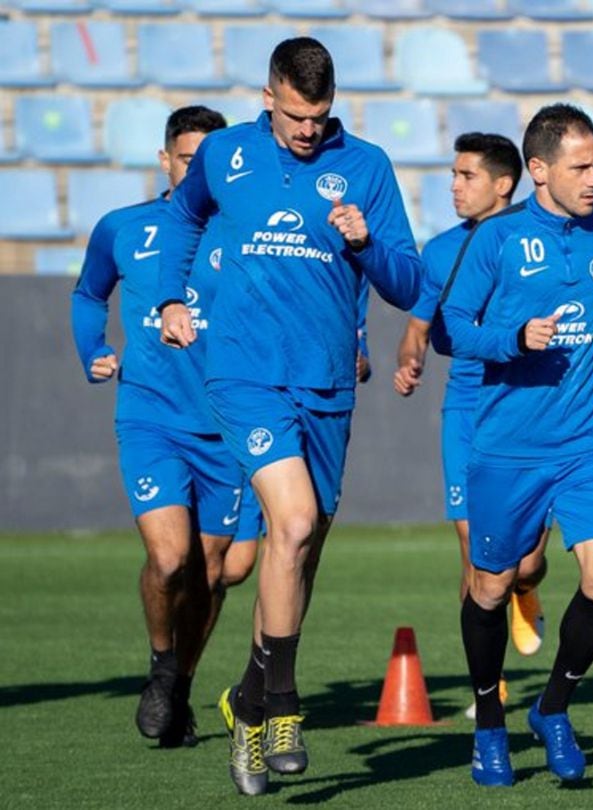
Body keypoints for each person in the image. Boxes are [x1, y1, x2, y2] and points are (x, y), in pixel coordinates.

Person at [157, 37, 421, 796]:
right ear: (269, 95)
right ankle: (282, 705)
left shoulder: (366, 167)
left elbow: (407, 281)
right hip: (244, 374)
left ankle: (245, 697)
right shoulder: (226, 155)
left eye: (321, 117)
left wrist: (366, 243)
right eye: (298, 115)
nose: (309, 130)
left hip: (328, 384)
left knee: (297, 550)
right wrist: (174, 296)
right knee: (294, 521)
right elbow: (182, 220)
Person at [441, 103, 593, 787]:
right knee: (492, 587)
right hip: (506, 448)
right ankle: (489, 722)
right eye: (580, 167)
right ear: (539, 170)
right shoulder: (496, 240)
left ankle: (553, 706)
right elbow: (452, 328)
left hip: (588, 442)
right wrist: (513, 339)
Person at [70, 105, 260, 748]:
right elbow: (88, 292)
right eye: (185, 160)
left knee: (220, 572)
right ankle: (161, 664)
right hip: (151, 416)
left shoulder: (243, 231)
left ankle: (179, 683)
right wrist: (91, 346)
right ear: (165, 160)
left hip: (228, 425)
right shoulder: (125, 228)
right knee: (170, 557)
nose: (195, 172)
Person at [393, 133, 547, 698]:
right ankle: (492, 680)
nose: (454, 187)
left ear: (503, 185)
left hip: (527, 405)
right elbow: (417, 330)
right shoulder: (440, 251)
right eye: (453, 175)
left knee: (525, 563)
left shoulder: (540, 240)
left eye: (467, 176)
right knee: (473, 548)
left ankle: (526, 591)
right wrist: (410, 361)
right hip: (466, 409)